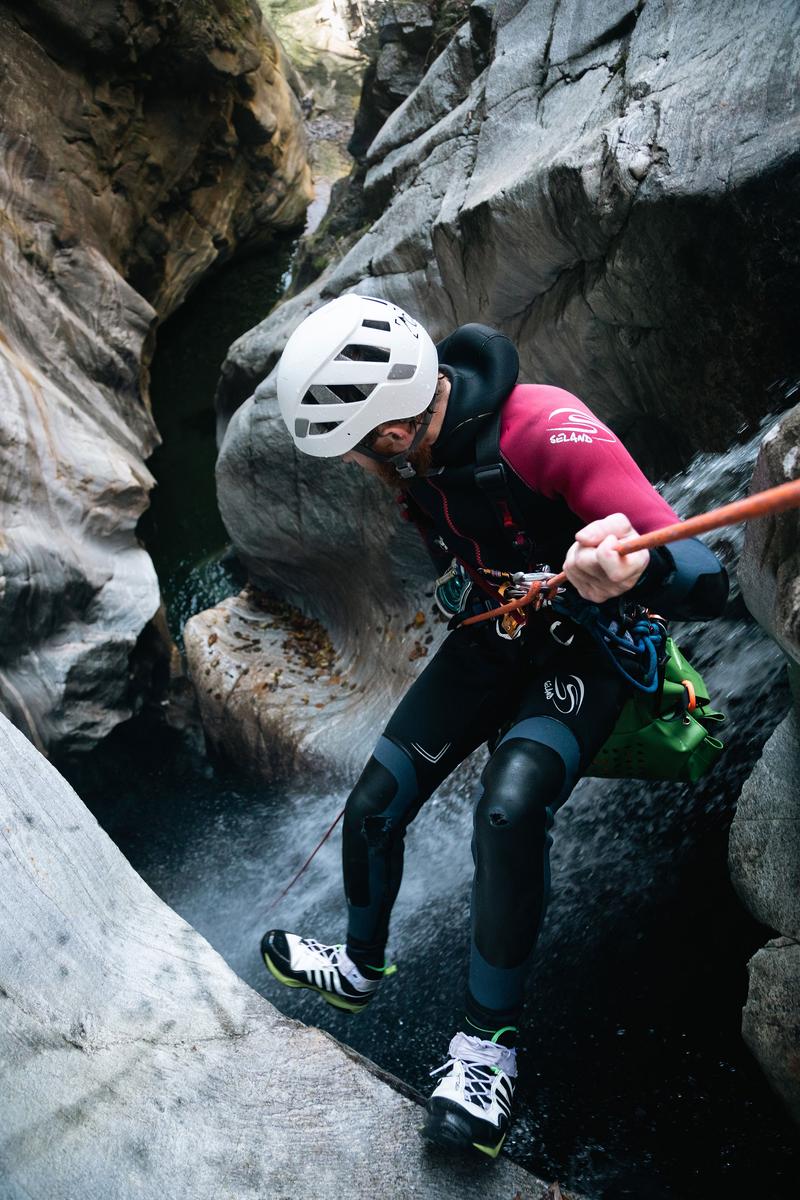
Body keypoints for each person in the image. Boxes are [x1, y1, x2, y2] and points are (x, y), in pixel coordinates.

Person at [260, 293, 728, 1158]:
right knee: (373, 805)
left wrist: (632, 565)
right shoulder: (418, 458)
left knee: (509, 810)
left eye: (357, 452)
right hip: (498, 629)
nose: (358, 467)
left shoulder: (545, 429)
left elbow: (706, 571)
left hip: (587, 648)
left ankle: (485, 1057)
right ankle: (361, 969)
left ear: (393, 435)